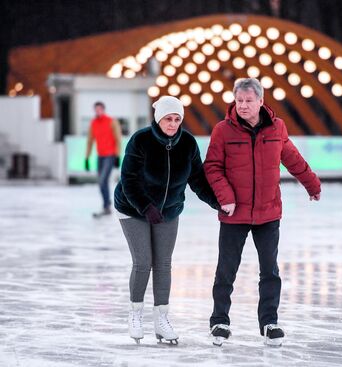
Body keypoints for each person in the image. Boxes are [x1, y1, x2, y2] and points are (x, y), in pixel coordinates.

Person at [204, 78, 321, 347]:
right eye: (239, 101)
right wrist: (226, 198)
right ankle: (219, 321)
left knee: (270, 271)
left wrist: (311, 184)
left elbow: (293, 158)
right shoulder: (223, 130)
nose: (243, 106)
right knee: (226, 270)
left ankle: (270, 322)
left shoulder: (276, 128)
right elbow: (212, 167)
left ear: (260, 101)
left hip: (268, 213)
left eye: (248, 101)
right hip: (234, 214)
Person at [114, 96, 220, 344]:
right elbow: (128, 180)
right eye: (168, 119)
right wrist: (146, 206)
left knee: (163, 264)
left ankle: (161, 319)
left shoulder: (188, 144)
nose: (172, 124)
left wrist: (216, 202)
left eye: (177, 119)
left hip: (169, 210)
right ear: (158, 118)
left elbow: (198, 181)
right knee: (143, 261)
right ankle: (135, 314)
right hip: (132, 208)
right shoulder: (141, 140)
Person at [85, 101, 122, 218]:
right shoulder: (93, 123)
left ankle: (107, 204)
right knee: (102, 183)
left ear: (103, 109)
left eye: (99, 109)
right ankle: (107, 206)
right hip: (100, 156)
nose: (97, 112)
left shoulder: (112, 121)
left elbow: (118, 139)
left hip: (110, 155)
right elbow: (90, 140)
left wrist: (117, 156)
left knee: (102, 180)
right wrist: (87, 157)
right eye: (96, 110)